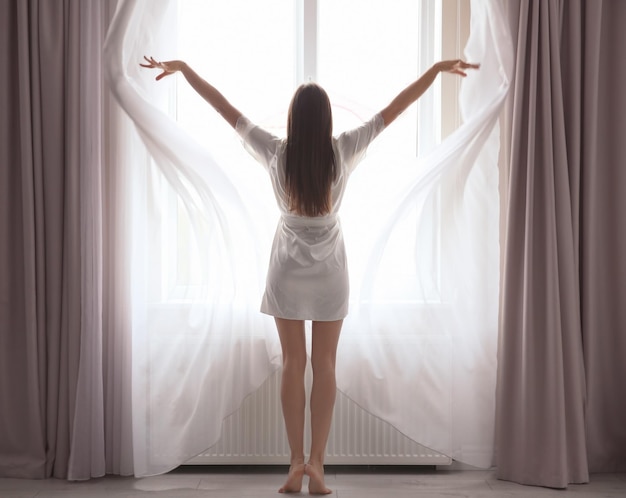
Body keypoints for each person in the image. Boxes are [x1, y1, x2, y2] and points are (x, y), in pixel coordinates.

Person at [140, 55, 478, 494]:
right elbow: (394, 111)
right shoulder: (343, 150)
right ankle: (317, 463)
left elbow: (224, 110)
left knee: (293, 365)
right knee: (325, 365)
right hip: (330, 271)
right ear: (326, 120)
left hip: (286, 269)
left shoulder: (277, 152)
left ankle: (296, 462)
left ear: (294, 121)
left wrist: (185, 71)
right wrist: (434, 73)